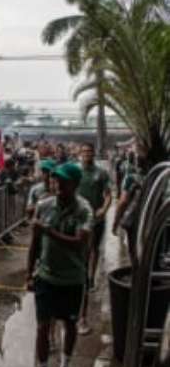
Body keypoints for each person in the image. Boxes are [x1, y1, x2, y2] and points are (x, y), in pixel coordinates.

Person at [25, 162, 92, 367]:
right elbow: (34, 242)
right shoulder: (43, 206)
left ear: (75, 184)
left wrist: (48, 231)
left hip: (72, 279)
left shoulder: (84, 210)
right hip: (46, 277)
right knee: (43, 327)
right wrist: (28, 272)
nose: (58, 185)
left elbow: (79, 243)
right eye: (55, 181)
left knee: (69, 324)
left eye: (63, 182)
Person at [76, 142, 112, 335]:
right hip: (80, 219)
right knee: (81, 249)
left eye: (90, 151)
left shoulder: (101, 173)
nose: (87, 154)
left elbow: (108, 195)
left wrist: (104, 209)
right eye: (84, 151)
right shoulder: (75, 172)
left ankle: (90, 276)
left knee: (94, 250)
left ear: (93, 154)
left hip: (97, 220)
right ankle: (82, 275)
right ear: (80, 154)